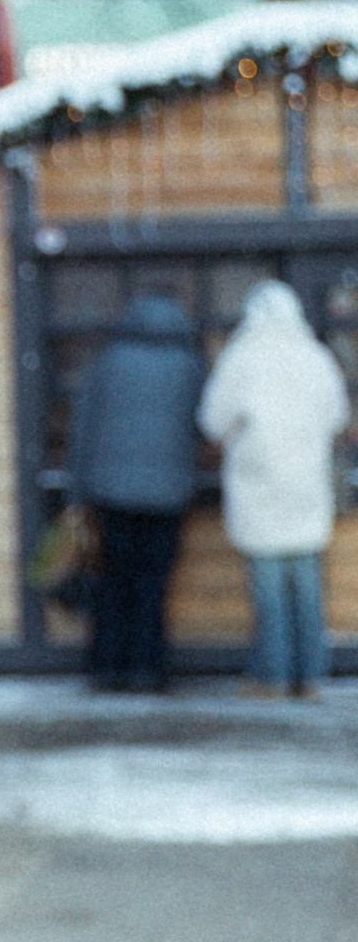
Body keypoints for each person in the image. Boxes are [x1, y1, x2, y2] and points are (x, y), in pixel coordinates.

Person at [198, 278, 349, 696]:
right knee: (306, 588)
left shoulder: (242, 357)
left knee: (268, 592)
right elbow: (337, 415)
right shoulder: (314, 357)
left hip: (258, 488)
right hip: (306, 489)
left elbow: (212, 419)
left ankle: (273, 675)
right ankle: (311, 675)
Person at [70, 289, 206, 694]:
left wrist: (77, 491)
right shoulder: (191, 365)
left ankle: (107, 668)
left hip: (112, 494)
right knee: (152, 585)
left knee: (113, 582)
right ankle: (148, 669)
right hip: (168, 495)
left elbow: (83, 428)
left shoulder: (107, 362)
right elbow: (206, 427)